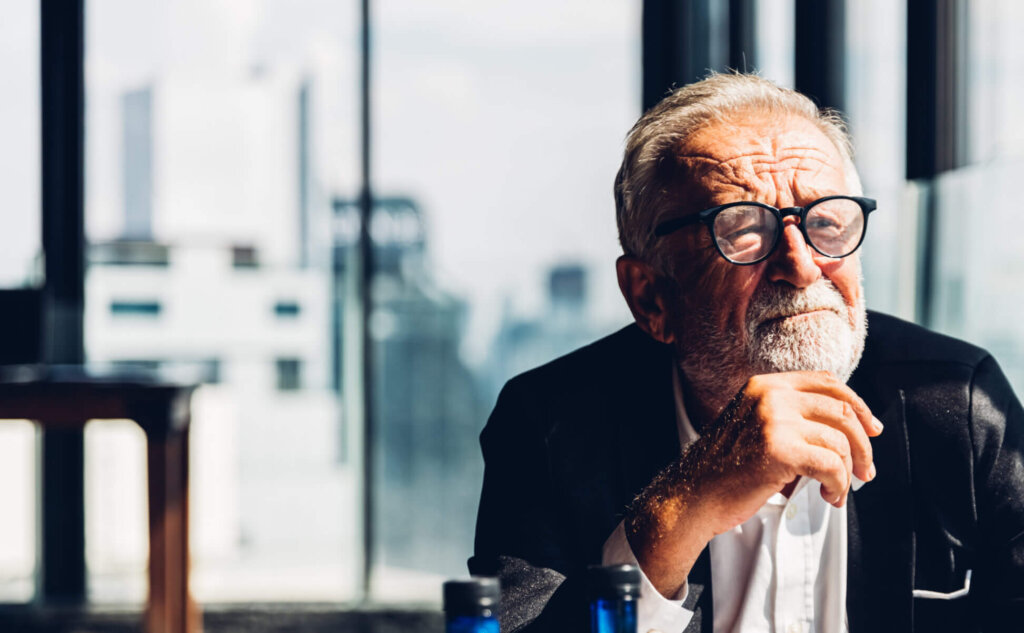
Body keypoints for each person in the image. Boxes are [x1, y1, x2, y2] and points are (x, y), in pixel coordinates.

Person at [469, 73, 1024, 633]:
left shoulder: (960, 405)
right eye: (742, 230)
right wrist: (681, 508)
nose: (803, 266)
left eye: (827, 221)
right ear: (651, 297)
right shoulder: (548, 424)